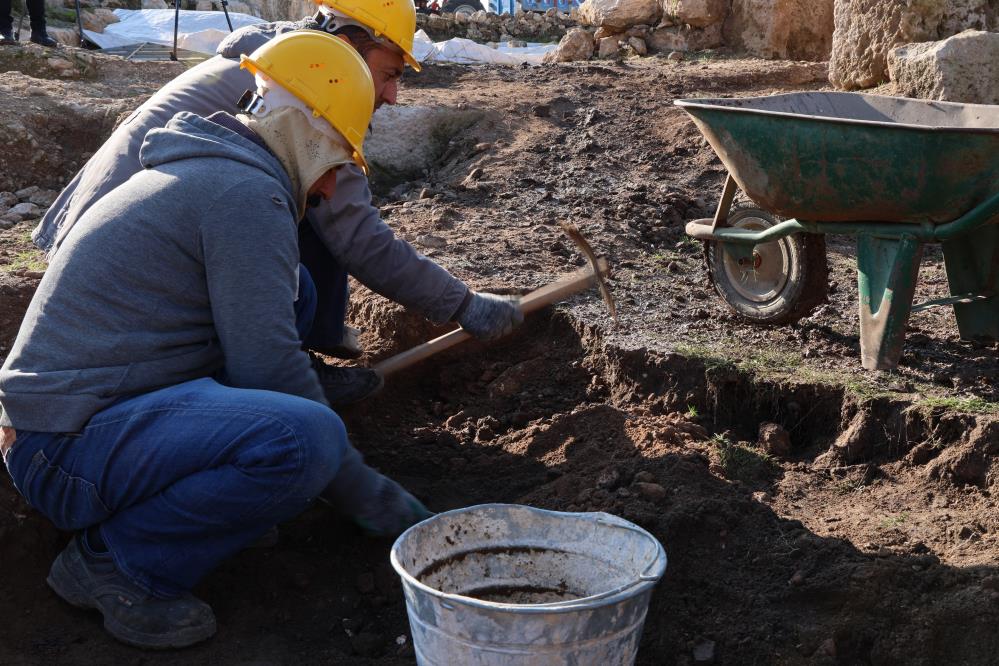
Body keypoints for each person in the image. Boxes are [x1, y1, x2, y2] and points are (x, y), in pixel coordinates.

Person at [0, 30, 431, 650]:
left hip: (81, 422)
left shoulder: (222, 173)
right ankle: (117, 563)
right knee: (302, 438)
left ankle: (205, 499)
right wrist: (376, 501)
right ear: (301, 129)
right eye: (335, 159)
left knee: (297, 294)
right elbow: (269, 370)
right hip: (63, 452)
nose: (333, 188)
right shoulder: (243, 196)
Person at [31, 0, 524, 406]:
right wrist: (462, 304)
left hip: (95, 246)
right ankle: (262, 382)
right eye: (389, 72)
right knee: (309, 218)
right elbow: (358, 236)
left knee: (302, 234)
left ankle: (292, 359)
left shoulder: (276, 61)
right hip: (130, 296)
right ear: (348, 46)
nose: (393, 95)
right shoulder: (301, 93)